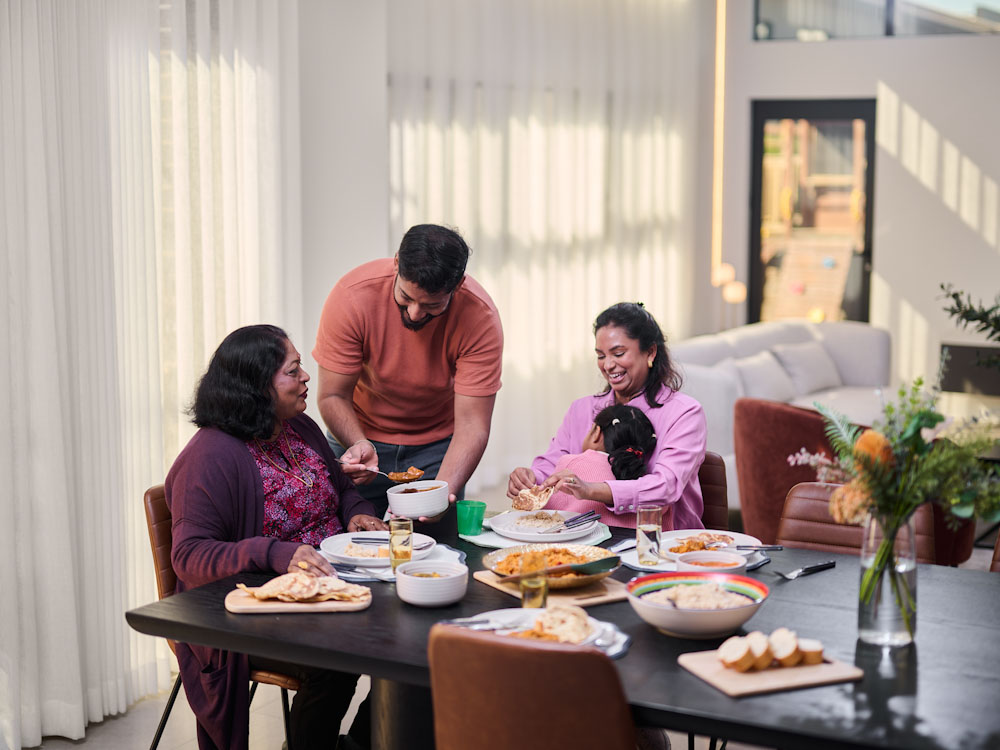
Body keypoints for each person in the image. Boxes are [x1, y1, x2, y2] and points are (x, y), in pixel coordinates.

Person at [166, 325, 385, 750]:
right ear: (256, 386)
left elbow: (340, 489)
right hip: (260, 601)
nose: (307, 377)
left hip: (332, 581)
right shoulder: (210, 457)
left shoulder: (298, 426)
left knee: (414, 636)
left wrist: (357, 514)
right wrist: (276, 553)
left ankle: (360, 742)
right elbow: (189, 555)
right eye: (294, 369)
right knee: (341, 656)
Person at [313, 224, 503, 531]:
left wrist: (443, 491)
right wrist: (359, 443)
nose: (415, 314)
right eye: (406, 297)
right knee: (341, 544)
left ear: (458, 285)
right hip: (358, 437)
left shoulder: (479, 318)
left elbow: (472, 424)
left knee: (436, 550)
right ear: (397, 263)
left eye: (431, 305)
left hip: (437, 448)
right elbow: (333, 395)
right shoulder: (352, 298)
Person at [508, 302, 706, 530]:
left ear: (650, 352)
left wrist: (592, 489)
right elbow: (552, 466)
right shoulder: (581, 410)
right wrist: (530, 478)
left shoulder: (684, 413)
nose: (608, 365)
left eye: (618, 353)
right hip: (584, 538)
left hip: (664, 543)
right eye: (601, 356)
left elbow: (665, 487)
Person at [541, 404, 674, 529]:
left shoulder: (570, 464)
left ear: (596, 433)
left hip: (581, 550)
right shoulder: (648, 485)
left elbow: (546, 515)